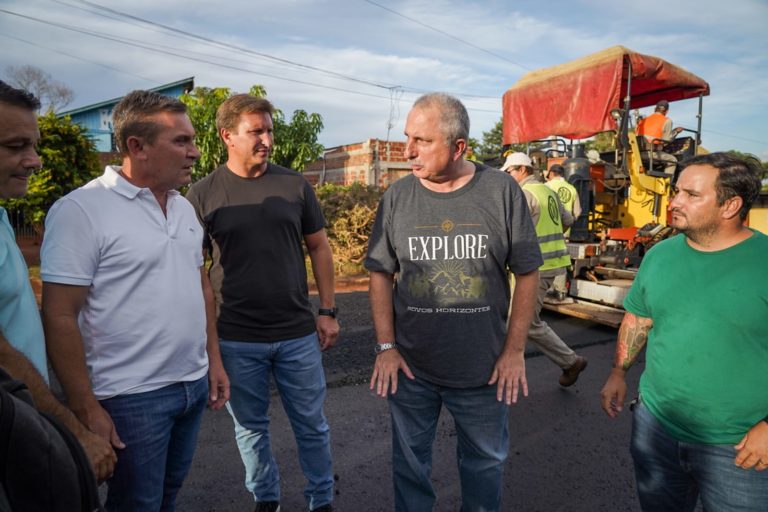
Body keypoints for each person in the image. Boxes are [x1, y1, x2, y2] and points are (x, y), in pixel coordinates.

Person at [40, 90, 229, 511]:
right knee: (136, 504)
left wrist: (212, 361)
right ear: (136, 146)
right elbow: (58, 315)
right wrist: (86, 408)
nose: (195, 152)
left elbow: (200, 287)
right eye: (181, 141)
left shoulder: (183, 208)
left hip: (191, 384)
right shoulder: (82, 210)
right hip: (130, 398)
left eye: (193, 140)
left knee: (167, 497)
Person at [366, 93, 542, 511]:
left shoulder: (501, 192)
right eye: (408, 137)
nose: (408, 151)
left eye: (422, 141)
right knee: (409, 469)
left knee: (484, 468)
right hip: (411, 369)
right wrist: (386, 347)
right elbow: (379, 272)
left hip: (484, 370)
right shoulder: (398, 197)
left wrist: (515, 351)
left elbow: (528, 271)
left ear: (458, 146)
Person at [186, 94, 339, 512]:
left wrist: (326, 311)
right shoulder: (201, 195)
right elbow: (193, 270)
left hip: (297, 334)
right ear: (227, 136)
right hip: (235, 338)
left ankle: (321, 499)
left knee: (312, 426)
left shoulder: (295, 184)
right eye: (256, 131)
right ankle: (265, 498)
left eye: (269, 130)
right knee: (251, 429)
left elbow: (320, 249)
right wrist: (207, 339)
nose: (267, 139)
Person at [600, 152, 768, 511]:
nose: (674, 202)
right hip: (656, 430)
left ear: (730, 205)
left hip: (740, 448)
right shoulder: (660, 255)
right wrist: (618, 372)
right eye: (677, 191)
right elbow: (639, 319)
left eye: (691, 195)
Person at [0, 79, 116, 482]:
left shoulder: (1, 219)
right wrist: (73, 428)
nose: (34, 160)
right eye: (16, 147)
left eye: (33, 145)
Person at [502, 152, 588, 386]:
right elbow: (568, 220)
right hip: (554, 263)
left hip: (535, 268)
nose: (508, 177)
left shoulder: (524, 194)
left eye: (509, 172)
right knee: (514, 318)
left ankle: (570, 361)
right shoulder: (548, 191)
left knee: (525, 321)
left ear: (521, 170)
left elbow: (509, 232)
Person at [544, 163, 581, 299]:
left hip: (545, 230)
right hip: (563, 232)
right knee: (560, 259)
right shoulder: (572, 189)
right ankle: (560, 291)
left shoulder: (546, 187)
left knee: (545, 261)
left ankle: (547, 288)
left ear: (552, 173)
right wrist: (567, 224)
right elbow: (577, 212)